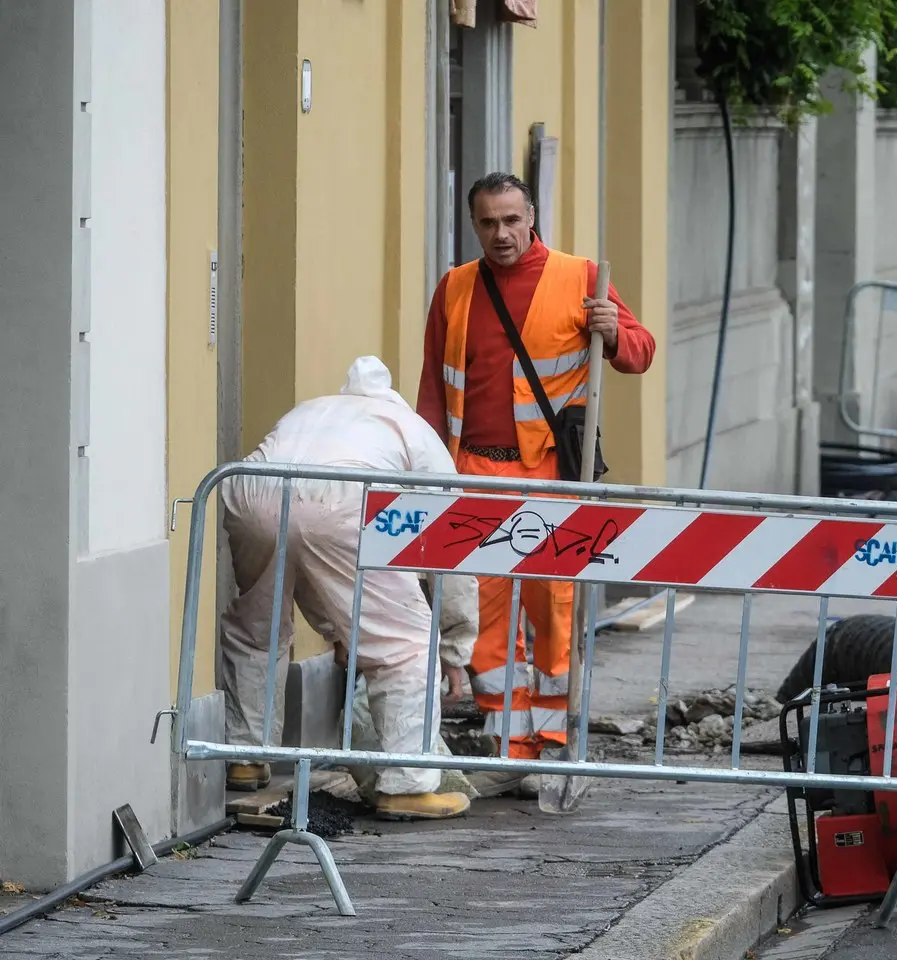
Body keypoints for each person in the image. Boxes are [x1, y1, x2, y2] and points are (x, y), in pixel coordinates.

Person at [417, 172, 656, 795]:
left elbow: (640, 352)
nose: (501, 233)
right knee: (484, 617)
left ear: (532, 218)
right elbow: (432, 390)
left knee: (555, 611)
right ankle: (508, 748)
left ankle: (552, 745)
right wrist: (426, 470)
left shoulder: (580, 278)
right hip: (475, 473)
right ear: (474, 226)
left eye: (511, 220)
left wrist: (613, 331)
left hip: (550, 472)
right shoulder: (456, 288)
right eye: (488, 223)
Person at [220, 356, 480, 821]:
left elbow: (308, 552)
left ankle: (245, 755)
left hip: (251, 489)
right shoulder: (411, 429)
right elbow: (452, 547)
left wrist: (340, 628)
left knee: (257, 628)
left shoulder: (312, 411)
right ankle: (407, 782)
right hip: (343, 497)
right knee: (405, 645)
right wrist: (455, 648)